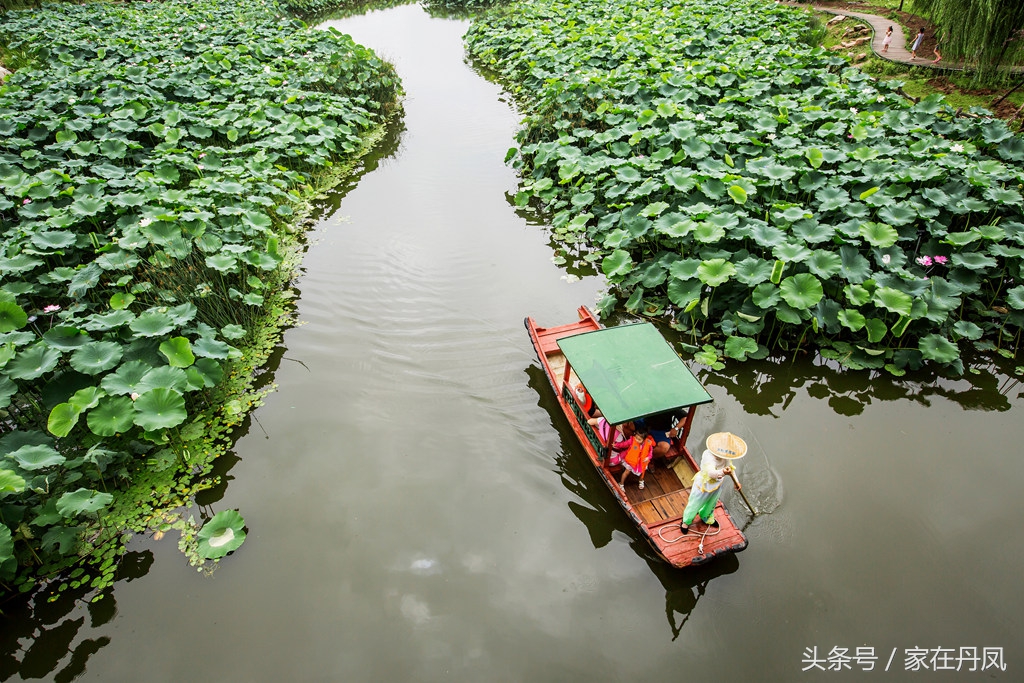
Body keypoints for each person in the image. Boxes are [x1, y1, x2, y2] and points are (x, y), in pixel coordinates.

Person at [680, 432, 747, 534]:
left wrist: (736, 482)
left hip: (717, 485)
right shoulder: (708, 455)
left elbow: (731, 468)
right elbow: (711, 473)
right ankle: (686, 521)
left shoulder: (726, 455)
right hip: (703, 485)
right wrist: (723, 472)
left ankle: (706, 517)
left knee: (711, 503)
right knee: (695, 503)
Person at [619, 424, 656, 490]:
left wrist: (648, 458)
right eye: (636, 438)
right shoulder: (632, 440)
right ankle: (621, 484)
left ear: (644, 440)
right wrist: (617, 445)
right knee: (626, 472)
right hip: (632, 461)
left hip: (642, 462)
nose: (636, 440)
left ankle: (641, 481)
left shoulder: (648, 443)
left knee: (642, 472)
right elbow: (624, 444)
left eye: (639, 439)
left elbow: (650, 452)